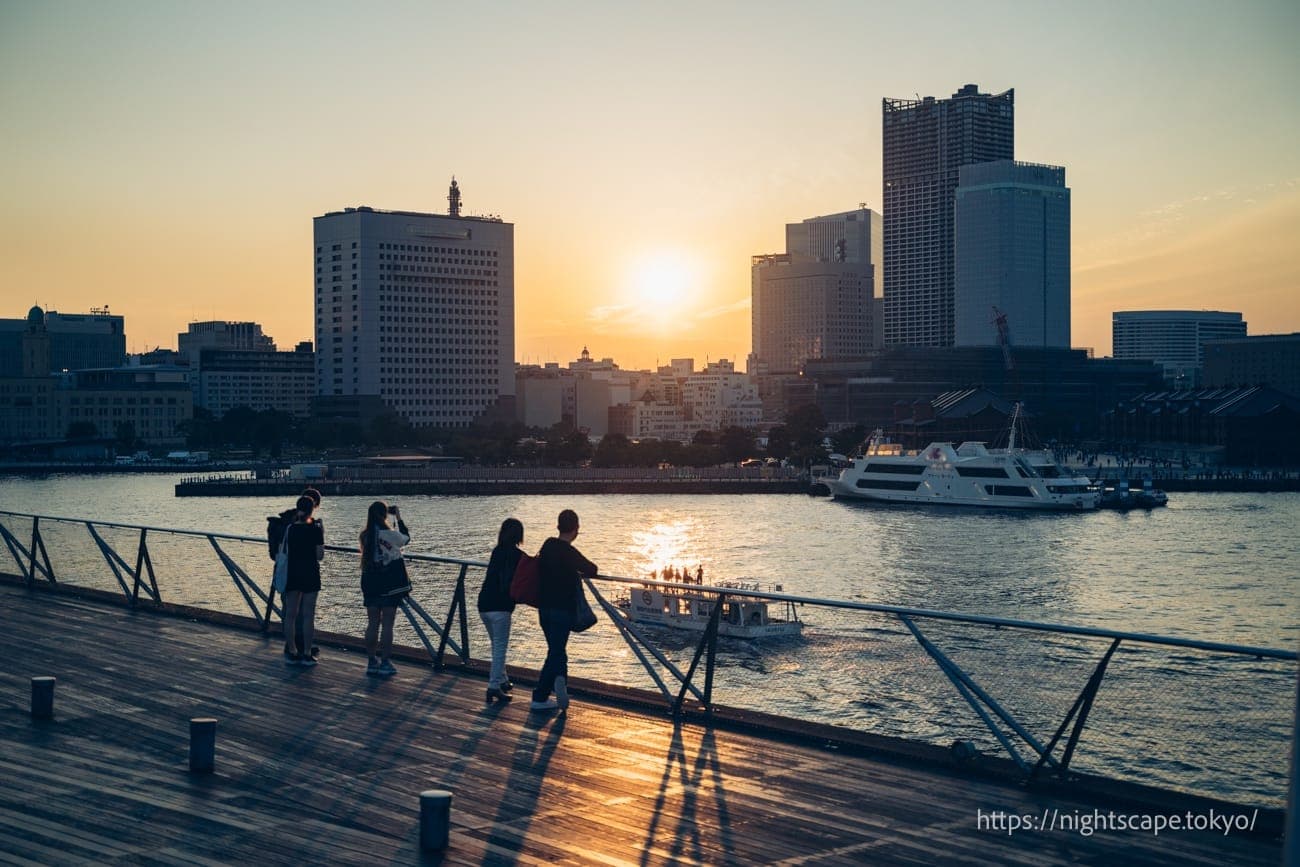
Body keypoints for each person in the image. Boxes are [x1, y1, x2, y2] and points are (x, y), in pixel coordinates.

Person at [530, 509, 597, 712]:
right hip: (563, 609)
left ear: (558, 526)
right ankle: (543, 693)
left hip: (544, 609)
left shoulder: (548, 545)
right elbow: (592, 569)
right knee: (557, 652)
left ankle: (555, 684)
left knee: (556, 651)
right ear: (576, 529)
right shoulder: (568, 552)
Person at [359, 500, 410, 677]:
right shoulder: (390, 534)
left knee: (373, 623)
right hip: (388, 583)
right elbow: (406, 539)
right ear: (384, 515)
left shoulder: (364, 535)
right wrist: (398, 517)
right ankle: (386, 662)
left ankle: (371, 661)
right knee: (388, 624)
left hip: (370, 580)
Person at [478, 518, 523, 703]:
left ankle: (503, 680)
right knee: (500, 647)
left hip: (484, 603)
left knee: (496, 644)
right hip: (501, 606)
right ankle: (493, 686)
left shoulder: (497, 552)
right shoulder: (518, 556)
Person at [281, 495, 324, 667]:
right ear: (313, 509)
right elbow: (320, 555)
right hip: (310, 573)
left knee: (290, 615)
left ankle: (292, 651)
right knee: (308, 615)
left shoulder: (290, 528)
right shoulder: (315, 529)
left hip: (293, 572)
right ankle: (307, 652)